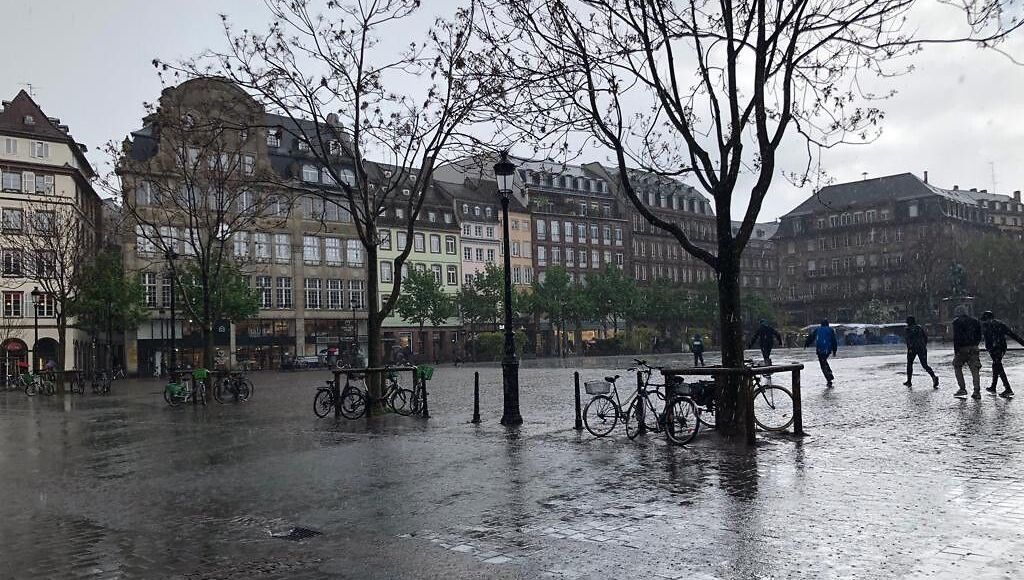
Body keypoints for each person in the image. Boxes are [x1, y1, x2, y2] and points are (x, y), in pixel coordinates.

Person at [980, 310, 1023, 398]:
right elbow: (1012, 334)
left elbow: (988, 338)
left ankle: (1008, 389)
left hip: (995, 348)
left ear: (987, 318)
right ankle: (993, 387)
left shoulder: (990, 325)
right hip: (1000, 347)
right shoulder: (999, 324)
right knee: (995, 365)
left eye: (985, 319)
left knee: (998, 366)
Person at [951, 306, 983, 400]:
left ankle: (962, 388)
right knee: (975, 369)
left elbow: (956, 338)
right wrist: (975, 344)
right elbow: (979, 335)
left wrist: (956, 351)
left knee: (957, 365)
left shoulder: (957, 322)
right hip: (974, 347)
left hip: (962, 348)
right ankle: (976, 391)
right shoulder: (975, 321)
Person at [903, 316, 938, 388]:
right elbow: (925, 337)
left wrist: (910, 348)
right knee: (925, 365)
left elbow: (908, 340)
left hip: (912, 349)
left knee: (909, 364)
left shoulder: (908, 329)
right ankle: (933, 377)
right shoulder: (919, 328)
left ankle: (909, 381)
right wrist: (923, 345)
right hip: (922, 348)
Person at [804, 319, 838, 387]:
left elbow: (811, 337)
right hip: (827, 350)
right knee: (824, 361)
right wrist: (834, 351)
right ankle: (830, 375)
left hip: (820, 350)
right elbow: (834, 341)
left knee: (823, 364)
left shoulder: (817, 329)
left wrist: (806, 344)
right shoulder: (830, 330)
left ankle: (829, 379)